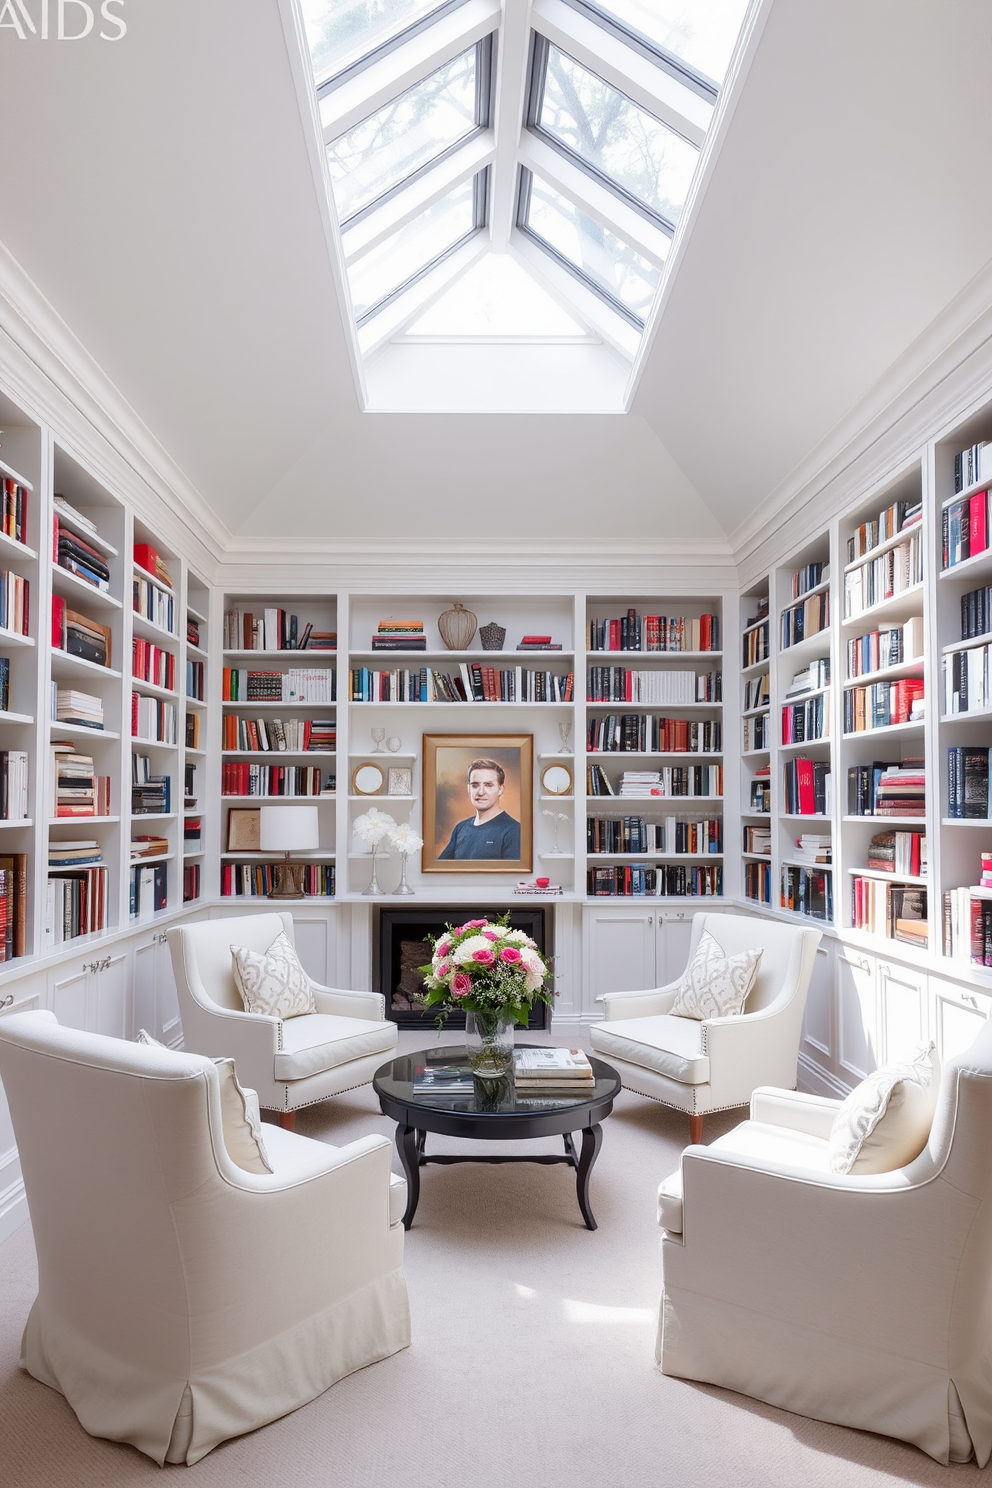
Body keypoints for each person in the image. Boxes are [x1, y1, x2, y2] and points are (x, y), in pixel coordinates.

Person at [438, 758, 521, 860]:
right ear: (468, 788)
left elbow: (512, 875)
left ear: (500, 789)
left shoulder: (513, 831)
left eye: (488, 785)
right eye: (475, 785)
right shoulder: (460, 828)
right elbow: (439, 870)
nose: (481, 792)